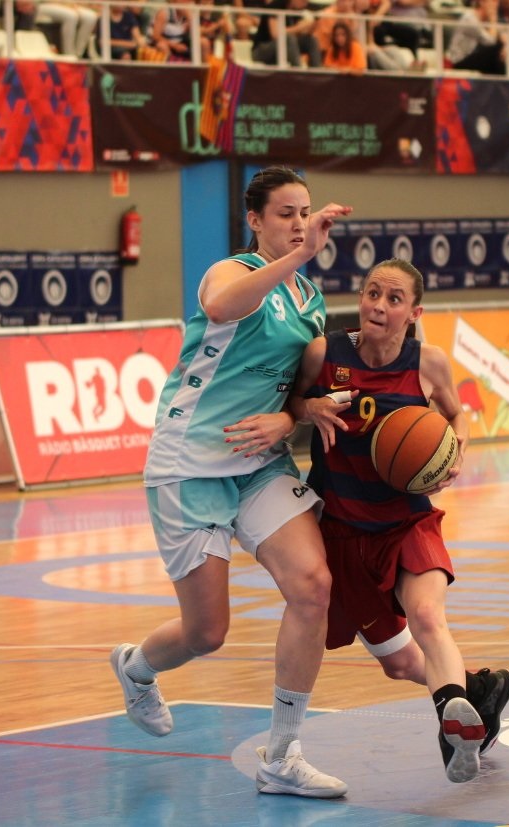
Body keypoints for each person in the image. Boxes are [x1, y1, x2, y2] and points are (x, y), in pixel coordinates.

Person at [110, 167, 351, 798]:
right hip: (189, 464)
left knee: (313, 585)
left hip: (260, 464)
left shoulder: (310, 300)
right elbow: (223, 306)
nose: (299, 224)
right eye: (285, 214)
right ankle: (136, 668)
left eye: (305, 214)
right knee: (206, 634)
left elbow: (301, 396)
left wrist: (289, 416)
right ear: (255, 221)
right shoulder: (231, 270)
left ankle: (283, 753)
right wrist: (297, 256)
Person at [289, 259, 509, 783]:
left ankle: (452, 727)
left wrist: (454, 450)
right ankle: (478, 691)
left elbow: (457, 415)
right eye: (372, 294)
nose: (379, 307)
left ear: (414, 313)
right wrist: (310, 408)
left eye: (394, 300)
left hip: (407, 521)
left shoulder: (428, 363)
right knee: (399, 663)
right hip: (342, 529)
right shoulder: (325, 353)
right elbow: (292, 402)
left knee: (429, 617)